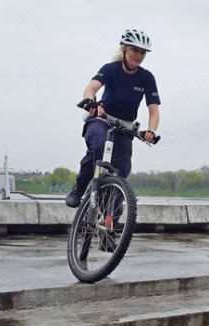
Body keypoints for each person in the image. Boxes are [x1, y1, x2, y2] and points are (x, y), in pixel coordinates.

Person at [66, 29, 161, 208]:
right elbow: (91, 88)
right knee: (99, 147)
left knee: (122, 171)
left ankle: (113, 222)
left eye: (143, 52)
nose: (139, 55)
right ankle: (79, 187)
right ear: (124, 49)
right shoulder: (110, 69)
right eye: (135, 50)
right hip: (101, 118)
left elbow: (154, 111)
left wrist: (151, 130)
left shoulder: (147, 78)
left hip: (125, 127)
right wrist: (91, 103)